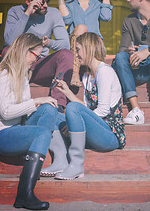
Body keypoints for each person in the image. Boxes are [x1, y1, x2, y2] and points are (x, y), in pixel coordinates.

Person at [0, 33, 66, 210]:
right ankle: (24, 195)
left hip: (16, 128)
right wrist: (36, 101)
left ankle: (38, 150)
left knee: (49, 107)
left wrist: (42, 104)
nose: (37, 60)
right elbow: (5, 113)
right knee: (42, 130)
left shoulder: (23, 75)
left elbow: (26, 111)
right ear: (24, 51)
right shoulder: (2, 74)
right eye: (37, 55)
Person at [41, 32, 125, 180]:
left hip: (109, 135)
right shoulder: (87, 76)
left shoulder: (105, 72)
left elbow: (102, 111)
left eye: (78, 49)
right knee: (50, 112)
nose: (76, 54)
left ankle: (77, 165)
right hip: (94, 130)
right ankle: (60, 160)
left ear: (88, 48)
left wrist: (72, 122)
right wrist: (67, 92)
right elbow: (86, 107)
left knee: (72, 108)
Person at [3, 0, 72, 112]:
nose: (46, 5)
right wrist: (27, 13)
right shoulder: (15, 12)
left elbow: (65, 44)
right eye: (42, 2)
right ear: (29, 1)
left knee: (67, 55)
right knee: (6, 51)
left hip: (41, 65)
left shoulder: (54, 13)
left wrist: (49, 43)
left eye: (48, 1)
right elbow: (10, 42)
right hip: (20, 64)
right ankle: (10, 101)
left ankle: (58, 106)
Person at [55, 0, 112, 86]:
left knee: (88, 34)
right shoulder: (70, 4)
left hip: (94, 46)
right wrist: (60, 0)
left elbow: (106, 17)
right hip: (76, 47)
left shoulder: (97, 4)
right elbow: (66, 20)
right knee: (81, 28)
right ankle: (75, 73)